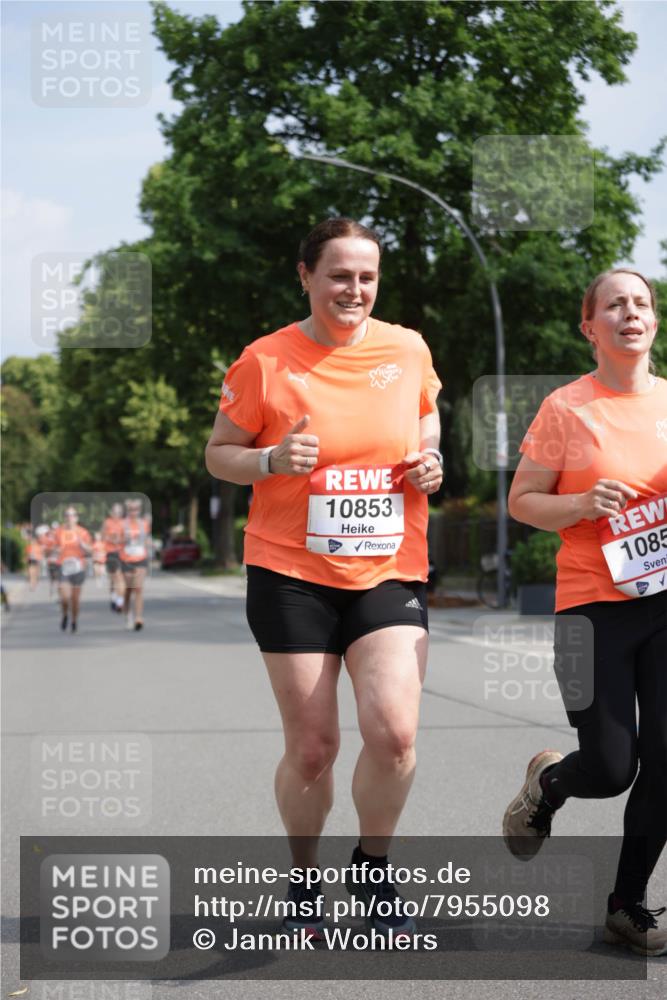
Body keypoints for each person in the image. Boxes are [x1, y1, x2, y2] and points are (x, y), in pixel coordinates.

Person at [205, 217, 443, 941]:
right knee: (313, 747)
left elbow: (427, 420)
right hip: (290, 571)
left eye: (366, 276)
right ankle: (304, 878)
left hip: (387, 566)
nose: (354, 289)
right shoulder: (265, 360)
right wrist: (272, 460)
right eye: (339, 275)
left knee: (395, 734)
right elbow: (220, 454)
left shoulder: (405, 348)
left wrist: (430, 459)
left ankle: (372, 870)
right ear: (305, 276)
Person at [502, 268, 666, 957]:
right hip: (588, 610)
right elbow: (520, 501)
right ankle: (547, 784)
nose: (629, 312)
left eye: (641, 302)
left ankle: (625, 907)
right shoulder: (567, 409)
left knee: (665, 759)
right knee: (608, 768)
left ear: (653, 321)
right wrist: (578, 503)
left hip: (664, 602)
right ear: (589, 327)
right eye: (613, 305)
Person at [54, 506, 92, 633]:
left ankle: (74, 621)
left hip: (78, 567)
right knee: (64, 597)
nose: (70, 517)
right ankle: (65, 614)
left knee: (75, 599)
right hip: (63, 566)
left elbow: (90, 550)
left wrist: (83, 546)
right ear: (64, 517)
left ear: (76, 518)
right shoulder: (58, 532)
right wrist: (55, 550)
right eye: (67, 515)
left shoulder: (83, 532)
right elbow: (49, 548)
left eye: (72, 515)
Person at [119, 498, 151, 631]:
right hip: (126, 558)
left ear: (139, 510)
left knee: (138, 588)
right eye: (131, 509)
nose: (133, 512)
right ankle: (127, 613)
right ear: (127, 511)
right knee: (129, 589)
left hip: (140, 558)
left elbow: (147, 539)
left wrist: (149, 544)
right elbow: (115, 540)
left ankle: (138, 617)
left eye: (136, 509)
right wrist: (124, 539)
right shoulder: (121, 524)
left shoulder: (144, 523)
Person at [102, 503, 126, 613]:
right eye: (115, 512)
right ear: (111, 513)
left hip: (123, 553)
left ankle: (119, 602)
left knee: (120, 578)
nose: (117, 514)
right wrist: (112, 539)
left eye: (119, 512)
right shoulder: (107, 522)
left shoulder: (125, 523)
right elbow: (103, 536)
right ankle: (114, 597)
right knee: (114, 579)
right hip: (111, 552)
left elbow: (128, 538)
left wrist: (121, 540)